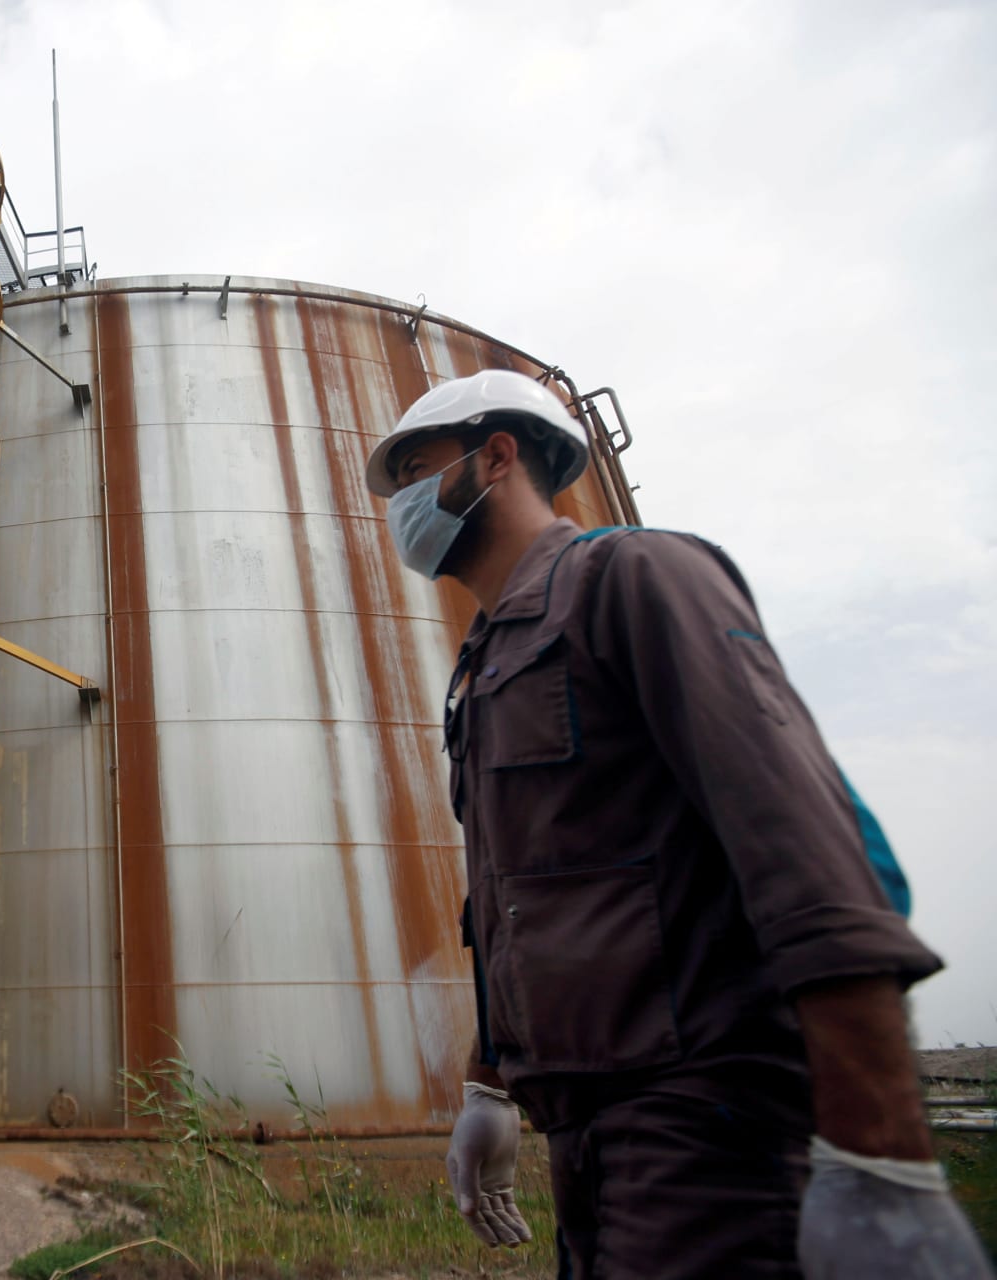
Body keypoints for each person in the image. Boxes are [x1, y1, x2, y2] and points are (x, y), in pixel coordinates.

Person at [363, 370, 989, 1279]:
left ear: (497, 457)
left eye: (418, 471)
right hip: (590, 1142)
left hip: (707, 1122)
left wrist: (883, 1158)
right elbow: (514, 905)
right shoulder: (487, 666)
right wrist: (488, 1085)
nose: (404, 507)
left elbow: (809, 855)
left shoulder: (634, 580)